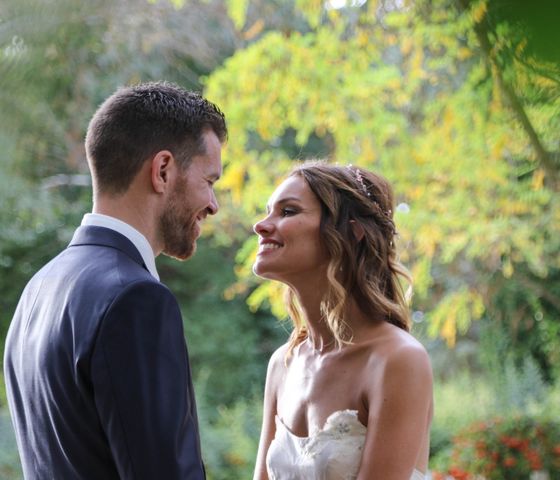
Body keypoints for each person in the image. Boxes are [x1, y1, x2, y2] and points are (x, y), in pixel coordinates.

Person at [3, 82, 227, 479]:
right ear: (162, 171)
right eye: (209, 182)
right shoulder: (136, 299)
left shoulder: (37, 290)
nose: (213, 205)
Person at [252, 161, 434, 480]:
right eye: (268, 211)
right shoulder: (283, 364)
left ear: (352, 231)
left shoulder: (397, 360)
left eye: (288, 211)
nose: (261, 225)